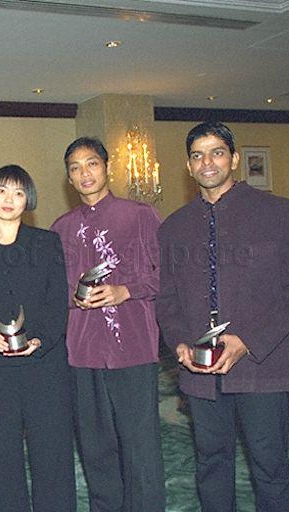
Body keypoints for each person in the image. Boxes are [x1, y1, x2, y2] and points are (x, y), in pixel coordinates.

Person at [157, 121, 289, 512]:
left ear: (235, 159)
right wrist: (178, 340)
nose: (207, 162)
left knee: (270, 466)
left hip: (263, 362)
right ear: (188, 166)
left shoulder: (283, 214)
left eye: (217, 152)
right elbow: (166, 295)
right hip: (199, 368)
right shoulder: (173, 227)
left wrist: (247, 341)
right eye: (197, 155)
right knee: (211, 464)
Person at [51, 137, 166, 512]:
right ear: (68, 178)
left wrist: (125, 291)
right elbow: (53, 291)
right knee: (95, 448)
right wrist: (73, 297)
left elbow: (165, 277)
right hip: (82, 353)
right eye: (75, 168)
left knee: (140, 447)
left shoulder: (139, 214)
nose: (84, 174)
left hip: (133, 349)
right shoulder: (61, 227)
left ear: (106, 167)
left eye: (91, 164)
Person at [0, 165, 76, 512]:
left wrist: (39, 338)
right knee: (1, 454)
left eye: (18, 193)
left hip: (45, 364)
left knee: (51, 451)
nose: (9, 199)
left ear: (28, 200)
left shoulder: (47, 243)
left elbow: (58, 302)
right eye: (1, 191)